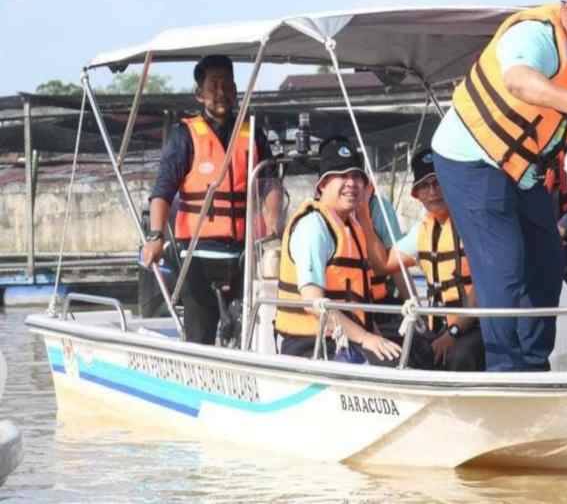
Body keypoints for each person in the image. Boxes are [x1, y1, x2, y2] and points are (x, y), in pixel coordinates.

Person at [431, 0, 567, 372]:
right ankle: (504, 370)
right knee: (504, 265)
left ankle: (534, 365)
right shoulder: (535, 35)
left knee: (547, 263)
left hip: (520, 168)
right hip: (470, 155)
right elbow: (520, 81)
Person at [141, 55, 280, 345]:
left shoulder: (253, 133)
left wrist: (274, 226)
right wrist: (155, 236)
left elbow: (270, 184)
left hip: (245, 251)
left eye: (227, 85)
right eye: (214, 85)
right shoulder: (185, 135)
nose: (222, 92)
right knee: (200, 332)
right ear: (199, 94)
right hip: (198, 253)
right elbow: (162, 191)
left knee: (249, 332)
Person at [274, 136, 402, 365]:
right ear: (322, 185)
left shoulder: (353, 227)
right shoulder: (313, 226)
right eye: (342, 176)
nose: (351, 183)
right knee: (390, 364)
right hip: (311, 343)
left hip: (347, 338)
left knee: (412, 351)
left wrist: (373, 336)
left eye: (356, 177)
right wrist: (366, 338)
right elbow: (313, 302)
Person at [371, 148, 485, 371]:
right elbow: (383, 264)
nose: (433, 191)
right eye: (425, 185)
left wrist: (454, 332)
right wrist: (366, 217)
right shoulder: (421, 232)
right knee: (400, 350)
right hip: (439, 327)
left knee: (458, 356)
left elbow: (484, 286)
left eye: (438, 182)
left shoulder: (474, 224)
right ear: (416, 194)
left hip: (477, 325)